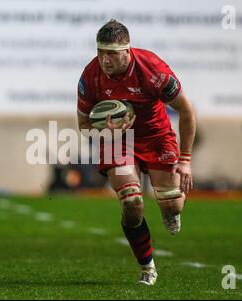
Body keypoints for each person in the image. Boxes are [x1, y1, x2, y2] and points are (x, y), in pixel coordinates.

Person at [76, 20, 196, 285]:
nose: (104, 60)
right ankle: (147, 266)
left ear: (127, 51)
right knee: (132, 203)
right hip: (119, 140)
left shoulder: (153, 70)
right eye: (100, 52)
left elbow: (186, 110)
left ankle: (172, 209)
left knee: (172, 202)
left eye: (111, 53)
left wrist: (185, 161)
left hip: (156, 137)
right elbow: (84, 126)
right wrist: (106, 132)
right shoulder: (90, 77)